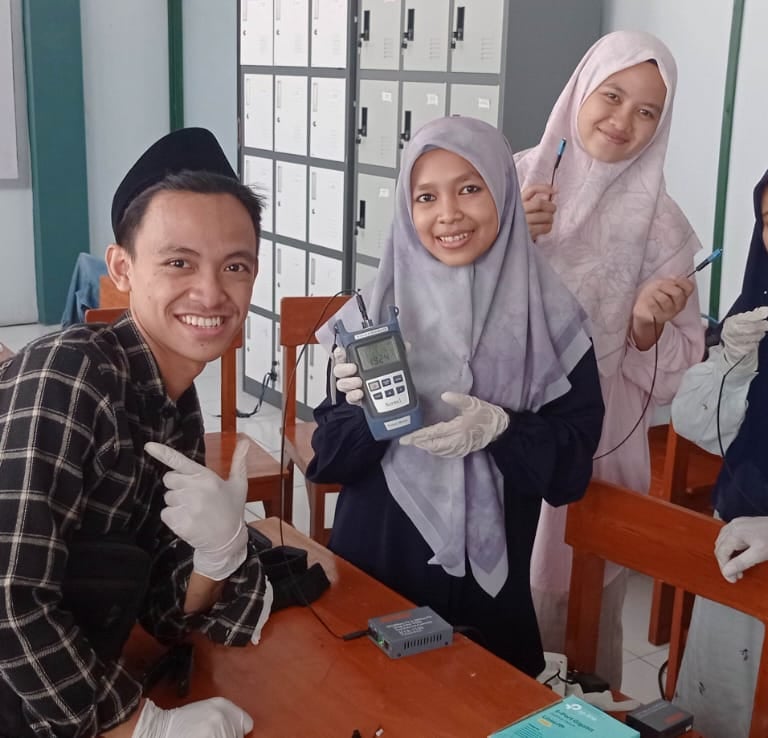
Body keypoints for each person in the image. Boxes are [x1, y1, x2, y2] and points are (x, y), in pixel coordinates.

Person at [305, 116, 605, 678]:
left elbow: (571, 468)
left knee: (484, 704)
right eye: (426, 196)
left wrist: (502, 429)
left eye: (470, 188)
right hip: (377, 566)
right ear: (405, 208)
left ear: (504, 193)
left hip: (491, 594)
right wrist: (374, 416)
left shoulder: (553, 321)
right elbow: (329, 460)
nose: (448, 214)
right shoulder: (368, 317)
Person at [0, 128, 272, 737]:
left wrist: (218, 554)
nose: (210, 291)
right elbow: (9, 598)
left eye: (235, 265)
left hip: (72, 686)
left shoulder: (172, 404)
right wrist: (134, 728)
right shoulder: (68, 376)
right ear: (122, 267)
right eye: (179, 262)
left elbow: (165, 612)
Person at [514, 30, 705, 687]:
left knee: (580, 624)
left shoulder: (666, 228)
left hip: (593, 441)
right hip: (493, 426)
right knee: (484, 608)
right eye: (613, 95)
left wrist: (648, 327)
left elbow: (682, 358)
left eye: (648, 111)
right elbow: (437, 296)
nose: (624, 121)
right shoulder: (511, 181)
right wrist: (508, 237)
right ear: (580, 90)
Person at [670, 169, 768, 738]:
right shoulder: (756, 311)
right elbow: (695, 425)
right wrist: (734, 363)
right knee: (719, 720)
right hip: (735, 553)